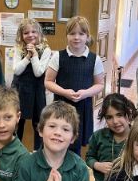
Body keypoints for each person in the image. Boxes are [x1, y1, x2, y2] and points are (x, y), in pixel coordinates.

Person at [44, 16, 104, 155]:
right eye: (72, 33)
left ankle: (73, 173)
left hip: (82, 107)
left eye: (81, 34)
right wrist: (64, 92)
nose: (76, 37)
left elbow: (100, 84)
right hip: (61, 106)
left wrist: (85, 93)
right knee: (58, 140)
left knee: (75, 145)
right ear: (67, 35)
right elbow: (48, 82)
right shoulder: (58, 56)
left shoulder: (94, 59)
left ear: (87, 36)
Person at [12, 18, 51, 151]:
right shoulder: (18, 49)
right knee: (17, 121)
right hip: (20, 89)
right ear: (21, 35)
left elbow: (38, 72)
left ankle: (38, 152)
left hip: (36, 90)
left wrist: (34, 55)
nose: (30, 35)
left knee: (38, 122)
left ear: (39, 33)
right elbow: (17, 70)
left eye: (34, 31)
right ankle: (14, 150)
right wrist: (27, 57)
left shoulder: (46, 50)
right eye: (26, 33)